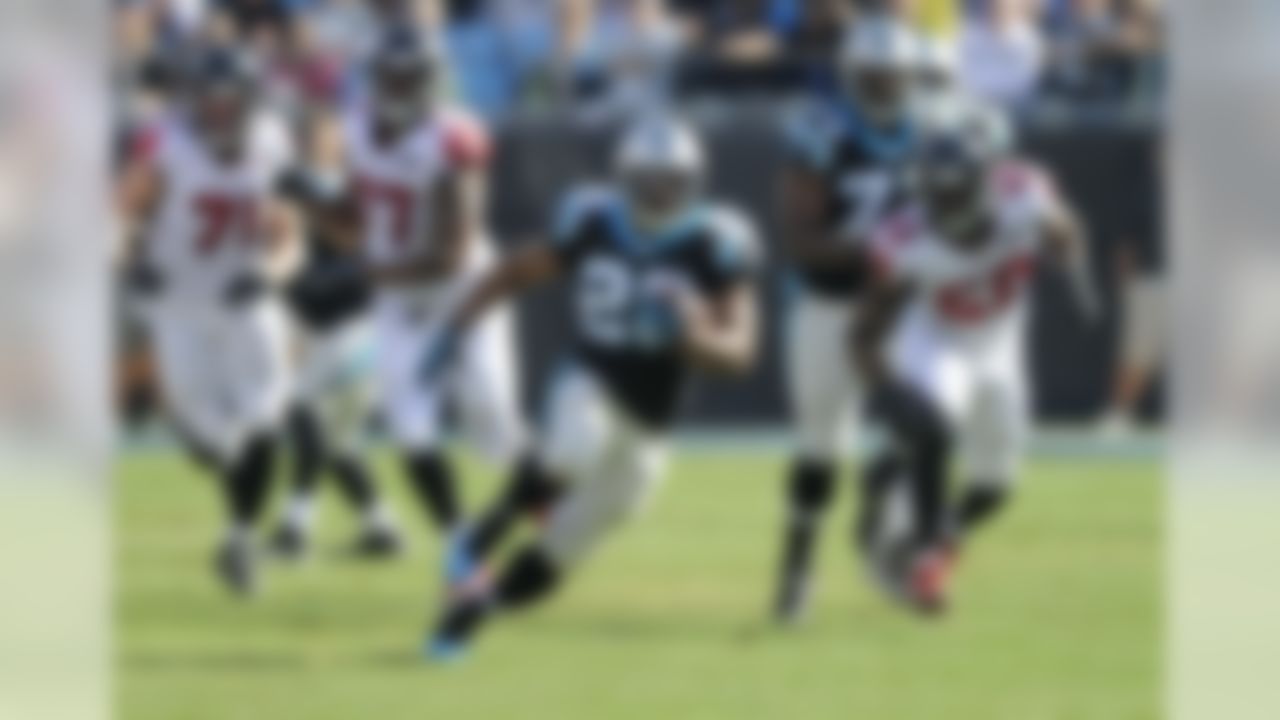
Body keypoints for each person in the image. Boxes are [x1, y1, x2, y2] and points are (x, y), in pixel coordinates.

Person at [421, 113, 762, 661]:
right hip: (591, 377)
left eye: (670, 179)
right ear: (623, 178)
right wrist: (456, 329)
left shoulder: (714, 243)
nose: (657, 192)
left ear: (694, 182)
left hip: (652, 421)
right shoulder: (594, 221)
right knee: (576, 443)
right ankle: (480, 537)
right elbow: (515, 272)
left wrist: (690, 339)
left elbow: (741, 353)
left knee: (569, 544)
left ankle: (472, 613)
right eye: (646, 178)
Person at [851, 101, 1097, 614]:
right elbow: (864, 333)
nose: (947, 199)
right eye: (936, 189)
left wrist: (1062, 235)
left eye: (957, 186)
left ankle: (932, 531)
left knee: (996, 484)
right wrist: (887, 390)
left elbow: (1069, 241)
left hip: (1002, 341)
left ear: (987, 179)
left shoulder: (1025, 195)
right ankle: (911, 551)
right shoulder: (905, 239)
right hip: (938, 338)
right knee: (930, 432)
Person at [315, 25, 528, 537]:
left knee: (491, 410)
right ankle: (461, 545)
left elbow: (451, 254)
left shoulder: (453, 138)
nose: (403, 88)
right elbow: (356, 218)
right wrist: (315, 206)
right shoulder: (357, 128)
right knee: (409, 426)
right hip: (398, 295)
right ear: (376, 79)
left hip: (466, 292)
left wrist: (364, 271)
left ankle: (544, 503)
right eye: (394, 77)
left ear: (433, 81)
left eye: (414, 78)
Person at [116, 46, 302, 595]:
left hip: (243, 298)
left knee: (265, 415)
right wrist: (128, 260)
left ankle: (241, 540)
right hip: (177, 302)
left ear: (249, 102)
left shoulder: (271, 141)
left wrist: (271, 274)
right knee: (210, 442)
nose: (218, 114)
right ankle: (240, 521)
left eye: (230, 103)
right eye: (209, 103)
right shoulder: (167, 144)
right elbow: (122, 211)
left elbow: (288, 235)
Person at [771, 15, 921, 625]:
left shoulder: (935, 125)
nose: (885, 87)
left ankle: (883, 540)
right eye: (873, 77)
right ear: (851, 76)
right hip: (831, 302)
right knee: (821, 448)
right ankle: (797, 570)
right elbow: (802, 237)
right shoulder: (822, 130)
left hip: (903, 308)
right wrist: (882, 250)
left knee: (922, 427)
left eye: (894, 76)